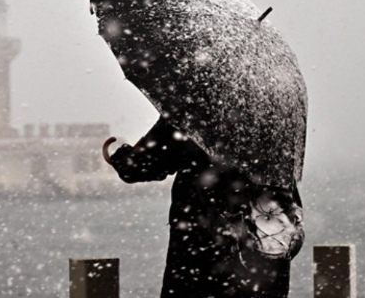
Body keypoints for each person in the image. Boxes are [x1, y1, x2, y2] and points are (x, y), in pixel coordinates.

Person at [104, 116, 304, 298]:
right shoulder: (277, 122)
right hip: (264, 267)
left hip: (202, 255)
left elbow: (140, 166)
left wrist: (120, 155)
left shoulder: (195, 110)